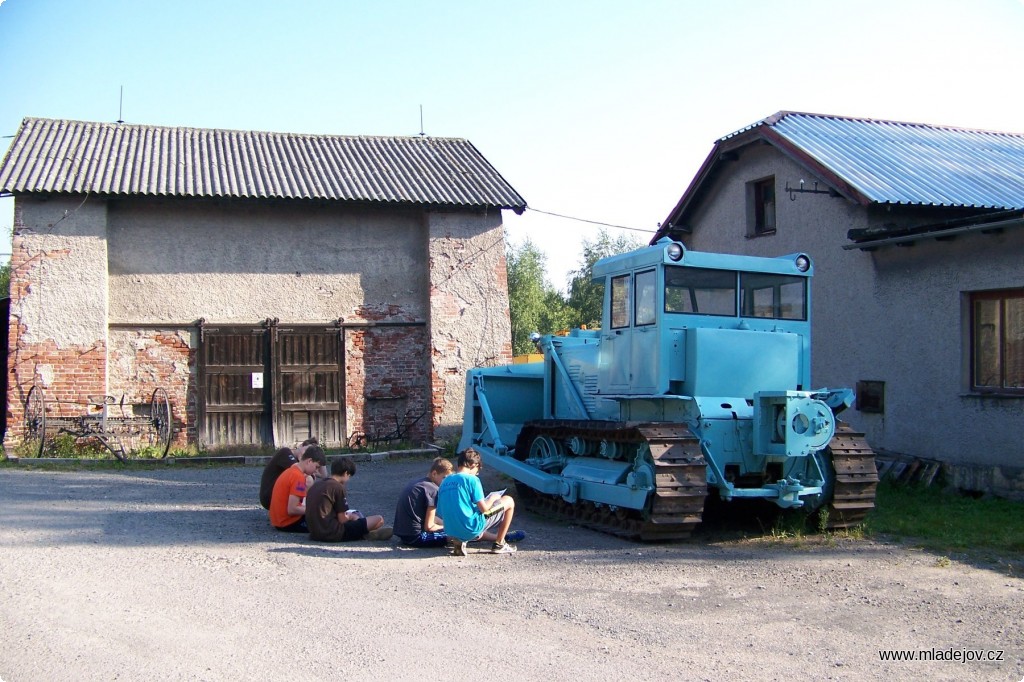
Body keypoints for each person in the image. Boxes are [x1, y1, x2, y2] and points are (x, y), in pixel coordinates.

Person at [436, 447, 524, 555]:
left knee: (466, 512)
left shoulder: (444, 482)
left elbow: (440, 512)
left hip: (450, 531)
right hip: (470, 528)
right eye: (478, 470)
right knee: (509, 501)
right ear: (474, 465)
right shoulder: (472, 479)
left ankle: (459, 541)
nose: (477, 474)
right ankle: (499, 544)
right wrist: (493, 498)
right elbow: (484, 509)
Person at [306, 457, 393, 542]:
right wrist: (352, 516)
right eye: (349, 476)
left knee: (359, 521)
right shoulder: (337, 487)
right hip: (333, 533)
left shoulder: (316, 485)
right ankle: (366, 534)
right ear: (346, 473)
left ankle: (363, 533)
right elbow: (342, 519)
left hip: (314, 533)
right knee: (379, 519)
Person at [393, 457, 454, 548]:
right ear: (434, 473)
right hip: (417, 537)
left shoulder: (419, 483)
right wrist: (449, 528)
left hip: (403, 534)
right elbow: (429, 527)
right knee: (458, 534)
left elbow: (432, 518)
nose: (446, 482)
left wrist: (447, 524)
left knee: (443, 523)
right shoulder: (433, 490)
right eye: (444, 478)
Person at [268, 445, 328, 533]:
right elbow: (292, 509)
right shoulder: (298, 477)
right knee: (327, 525)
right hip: (288, 522)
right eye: (316, 467)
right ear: (309, 461)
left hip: (278, 520)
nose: (316, 471)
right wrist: (316, 510)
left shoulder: (291, 471)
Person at [259, 437, 324, 510]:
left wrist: (320, 457)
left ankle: (300, 508)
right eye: (306, 450)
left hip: (276, 495)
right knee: (308, 480)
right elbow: (305, 477)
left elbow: (324, 475)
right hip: (268, 496)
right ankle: (298, 508)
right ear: (300, 446)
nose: (307, 454)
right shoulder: (285, 452)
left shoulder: (303, 463)